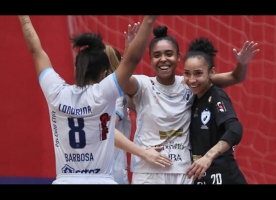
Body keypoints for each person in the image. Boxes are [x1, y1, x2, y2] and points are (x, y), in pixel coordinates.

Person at [17, 15, 172, 184]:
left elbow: (36, 49)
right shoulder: (103, 93)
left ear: (77, 68)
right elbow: (132, 60)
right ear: (104, 74)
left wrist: (23, 17)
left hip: (65, 180)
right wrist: (148, 20)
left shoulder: (56, 92)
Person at [121, 25, 259, 184]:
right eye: (157, 55)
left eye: (169, 54)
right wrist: (129, 53)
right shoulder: (143, 84)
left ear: (178, 57)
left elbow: (235, 77)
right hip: (148, 170)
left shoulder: (190, 83)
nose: (163, 59)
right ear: (150, 59)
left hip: (183, 171)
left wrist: (242, 63)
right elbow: (121, 80)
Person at [184, 37, 258, 184]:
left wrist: (208, 156)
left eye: (198, 73)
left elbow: (235, 129)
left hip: (224, 176)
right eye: (187, 73)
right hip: (202, 177)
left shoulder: (216, 95)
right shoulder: (192, 98)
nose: (192, 79)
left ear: (211, 72)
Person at [104, 44, 136, 184]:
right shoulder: (103, 94)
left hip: (112, 173)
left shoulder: (117, 95)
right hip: (102, 171)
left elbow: (107, 127)